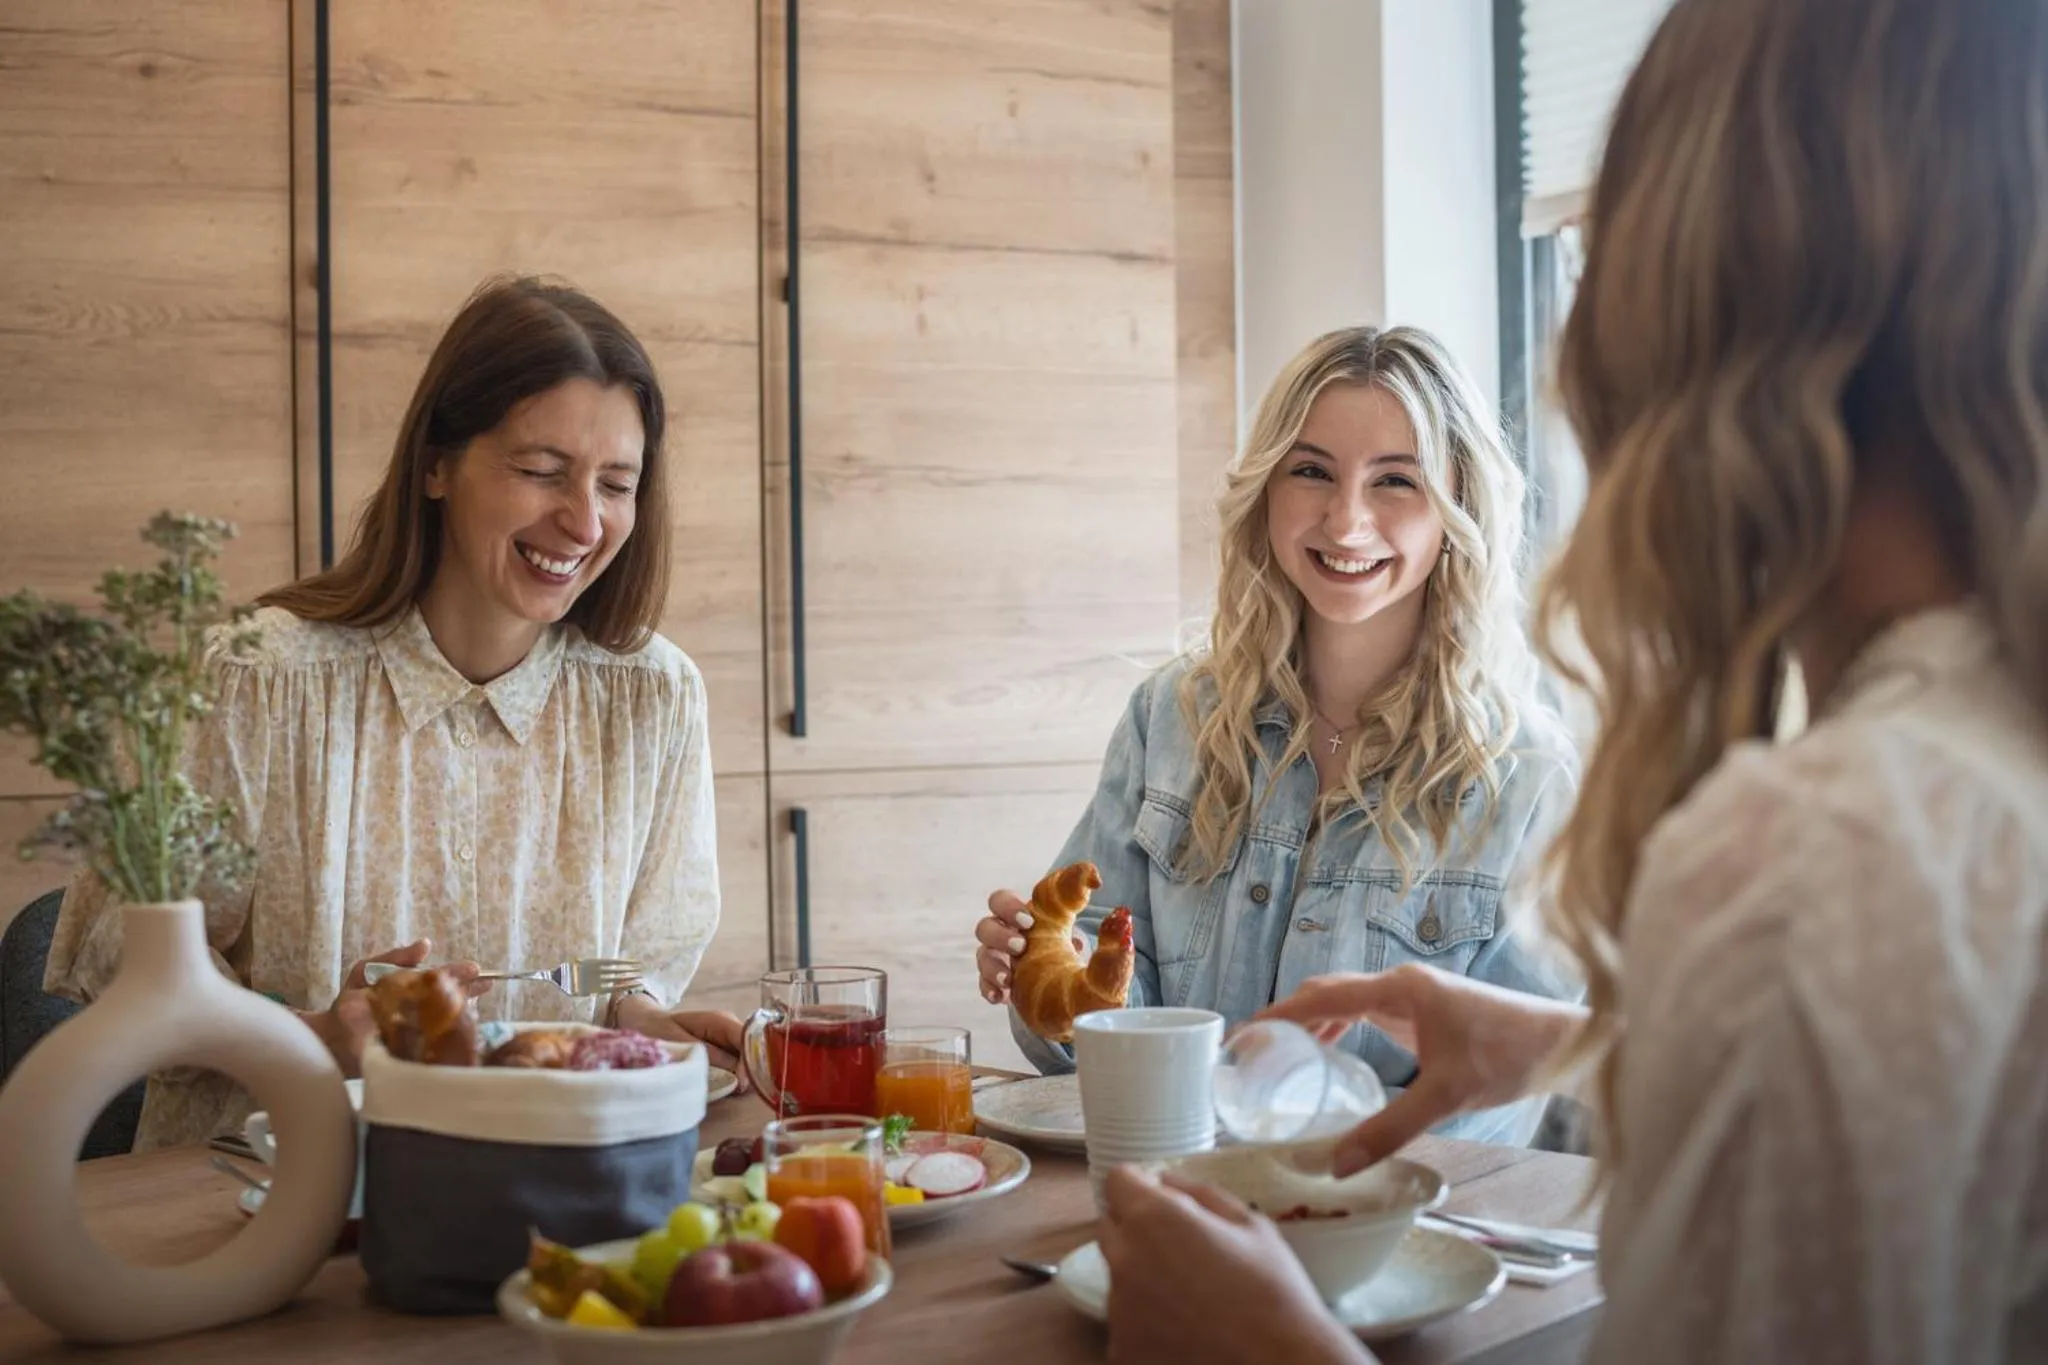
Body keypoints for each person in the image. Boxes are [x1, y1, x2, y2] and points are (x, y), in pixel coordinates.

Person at [1095, 0, 2048, 1360]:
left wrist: (1267, 1341)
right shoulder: (1985, 763)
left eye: (1611, 241)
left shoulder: (1827, 850)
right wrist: (1581, 1046)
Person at [45, 276, 744, 1150]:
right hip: (260, 1186)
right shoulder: (254, 680)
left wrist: (642, 1019)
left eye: (616, 484)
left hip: (549, 1175)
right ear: (435, 465)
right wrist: (313, 1037)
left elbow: (619, 973)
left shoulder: (652, 696)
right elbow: (129, 966)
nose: (583, 522)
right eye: (541, 472)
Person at [973, 326, 1582, 1147]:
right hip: (1167, 1193)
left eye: (1396, 480)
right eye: (1312, 471)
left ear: (1458, 510)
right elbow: (1092, 1033)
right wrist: (1055, 985)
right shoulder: (1169, 718)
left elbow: (1489, 1108)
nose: (1347, 520)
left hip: (1388, 1211)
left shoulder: (1529, 781)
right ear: (1266, 490)